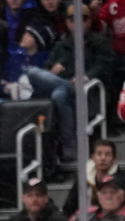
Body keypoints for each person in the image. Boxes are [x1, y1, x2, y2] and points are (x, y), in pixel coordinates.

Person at [24, 3, 113, 161]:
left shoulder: (100, 42)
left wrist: (88, 76)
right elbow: (48, 70)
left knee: (58, 92)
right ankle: (69, 146)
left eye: (83, 19)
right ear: (68, 23)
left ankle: (70, 146)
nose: (78, 23)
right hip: (67, 93)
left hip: (91, 93)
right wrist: (52, 72)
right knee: (38, 76)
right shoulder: (61, 45)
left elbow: (105, 66)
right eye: (73, 19)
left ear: (89, 21)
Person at [62, 138, 119, 218]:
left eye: (107, 155)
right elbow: (69, 208)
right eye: (99, 154)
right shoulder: (82, 180)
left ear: (114, 159)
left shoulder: (121, 181)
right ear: (92, 157)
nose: (103, 158)